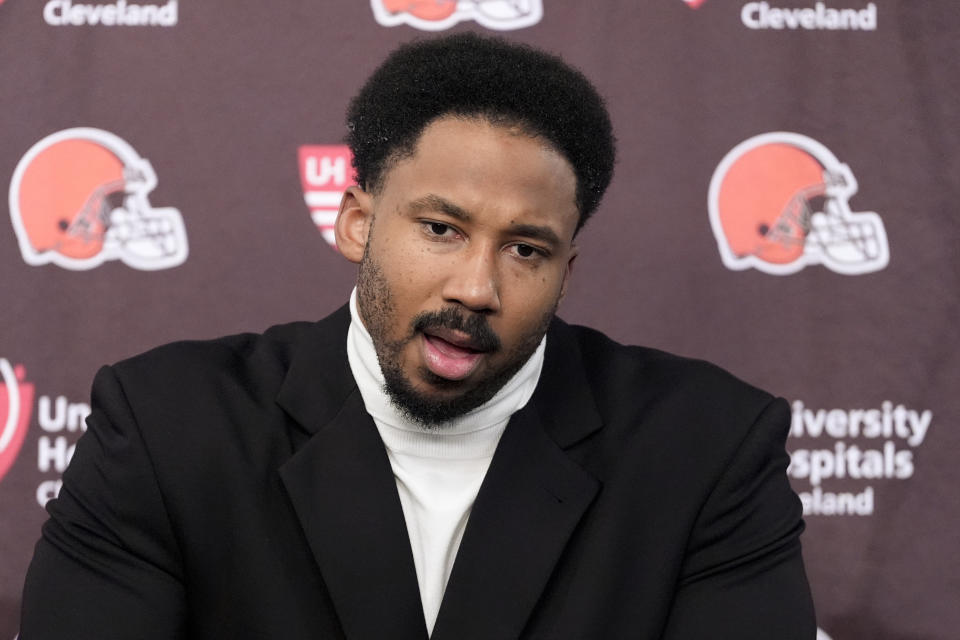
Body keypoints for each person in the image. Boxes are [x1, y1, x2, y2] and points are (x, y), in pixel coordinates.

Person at [20, 33, 815, 639]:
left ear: (568, 269)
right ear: (356, 221)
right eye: (441, 228)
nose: (477, 287)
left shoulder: (707, 448)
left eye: (526, 249)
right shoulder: (165, 427)